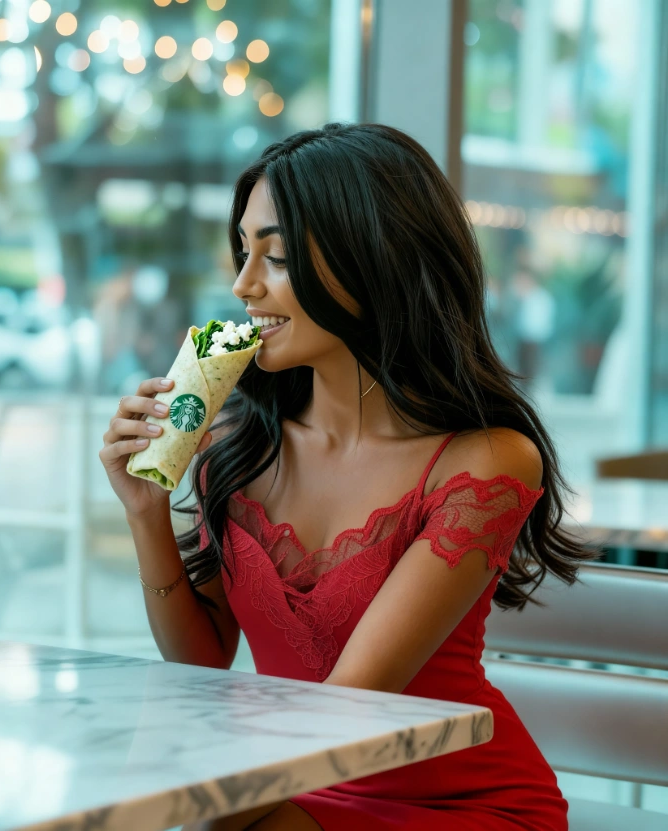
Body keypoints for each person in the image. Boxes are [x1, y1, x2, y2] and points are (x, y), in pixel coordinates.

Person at [99, 123, 596, 831]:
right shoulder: (234, 451)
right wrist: (145, 510)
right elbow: (204, 660)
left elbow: (347, 707)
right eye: (243, 252)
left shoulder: (485, 461)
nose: (243, 284)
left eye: (275, 256)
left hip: (460, 804)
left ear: (371, 258)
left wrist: (206, 802)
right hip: (300, 786)